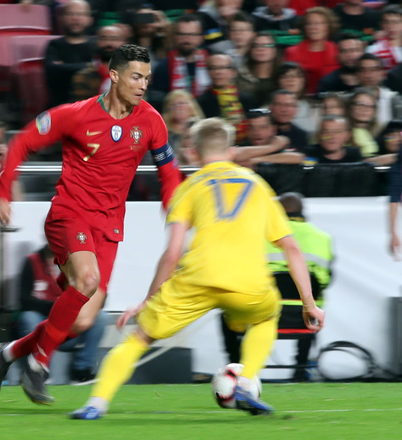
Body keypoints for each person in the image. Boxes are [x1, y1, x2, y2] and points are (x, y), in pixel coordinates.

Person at [70, 117, 324, 420]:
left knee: (140, 339)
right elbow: (292, 248)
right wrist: (309, 304)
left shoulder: (188, 188)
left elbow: (173, 252)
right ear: (231, 151)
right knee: (266, 316)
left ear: (193, 152)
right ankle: (245, 382)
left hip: (197, 278)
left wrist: (148, 300)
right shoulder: (258, 186)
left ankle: (95, 404)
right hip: (248, 281)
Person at [0, 44, 182, 405]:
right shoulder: (76, 115)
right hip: (69, 214)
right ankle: (39, 365)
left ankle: (9, 354)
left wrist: (175, 207)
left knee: (81, 321)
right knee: (86, 281)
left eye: (148, 78)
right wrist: (3, 190)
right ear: (115, 75)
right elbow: (23, 141)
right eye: (136, 76)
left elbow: (169, 172)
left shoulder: (151, 121)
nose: (143, 85)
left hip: (109, 228)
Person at [220, 192, 332, 382]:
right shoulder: (322, 238)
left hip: (264, 313)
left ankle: (237, 370)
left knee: (226, 312)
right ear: (301, 211)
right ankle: (300, 370)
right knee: (313, 304)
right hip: (303, 316)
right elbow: (325, 281)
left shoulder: (262, 236)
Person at [17, 244, 106, 382]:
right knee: (28, 317)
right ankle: (41, 369)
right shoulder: (32, 261)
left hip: (70, 326)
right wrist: (56, 307)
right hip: (42, 325)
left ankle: (82, 369)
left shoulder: (80, 262)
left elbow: (100, 297)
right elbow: (23, 301)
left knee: (101, 318)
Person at [150, 14, 210, 110]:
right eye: (182, 34)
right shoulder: (163, 67)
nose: (186, 39)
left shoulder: (211, 63)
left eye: (192, 34)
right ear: (175, 37)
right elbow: (158, 101)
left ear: (201, 38)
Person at [44, 0, 95, 107]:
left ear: (90, 19)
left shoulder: (97, 44)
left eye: (80, 14)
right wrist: (90, 66)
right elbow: (53, 72)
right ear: (62, 19)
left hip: (93, 106)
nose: (75, 18)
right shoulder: (54, 45)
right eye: (71, 14)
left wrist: (64, 67)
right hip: (60, 106)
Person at [197, 54, 256, 145]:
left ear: (233, 72)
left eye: (222, 68)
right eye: (213, 68)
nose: (218, 72)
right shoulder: (202, 102)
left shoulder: (247, 99)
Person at [284, 7, 340, 95]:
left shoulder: (337, 51)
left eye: (318, 23)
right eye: (309, 24)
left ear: (328, 26)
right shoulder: (291, 52)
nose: (313, 27)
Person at [71, 25, 127, 101]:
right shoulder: (83, 75)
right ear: (97, 42)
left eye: (114, 39)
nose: (108, 43)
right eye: (103, 39)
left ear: (124, 43)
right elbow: (80, 107)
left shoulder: (133, 73)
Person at [235, 32, 281, 107]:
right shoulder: (240, 76)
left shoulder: (282, 76)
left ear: (275, 50)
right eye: (256, 45)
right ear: (250, 50)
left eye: (267, 45)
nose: (261, 49)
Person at [366, 5, 402, 73]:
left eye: (395, 22)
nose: (391, 26)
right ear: (381, 24)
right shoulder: (373, 50)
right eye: (387, 22)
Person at [347, 87, 380, 159]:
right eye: (359, 104)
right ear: (350, 107)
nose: (364, 109)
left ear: (375, 111)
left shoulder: (380, 133)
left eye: (370, 106)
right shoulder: (343, 132)